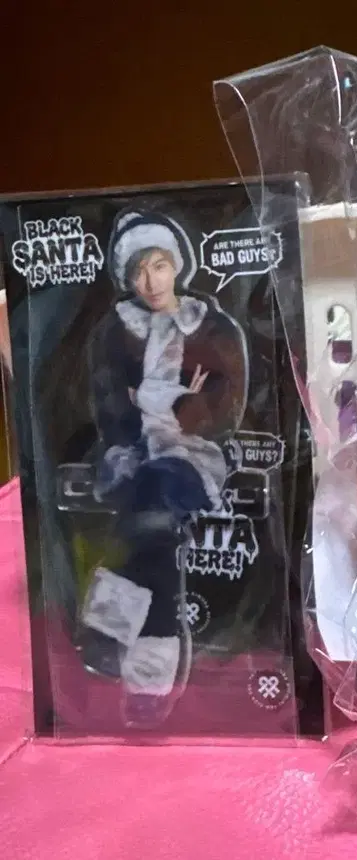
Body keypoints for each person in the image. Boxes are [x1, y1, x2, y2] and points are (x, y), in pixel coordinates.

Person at [79, 209, 247, 727]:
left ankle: (106, 634)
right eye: (138, 272)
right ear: (127, 279)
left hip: (193, 459)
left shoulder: (214, 327)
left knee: (149, 513)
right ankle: (149, 688)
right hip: (132, 457)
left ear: (176, 265)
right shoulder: (115, 332)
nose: (150, 282)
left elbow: (226, 407)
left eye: (158, 266)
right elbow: (108, 403)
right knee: (155, 546)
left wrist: (176, 407)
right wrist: (143, 415)